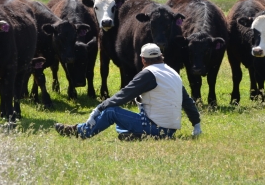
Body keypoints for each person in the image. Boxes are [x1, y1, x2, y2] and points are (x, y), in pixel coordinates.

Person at [55, 43, 202, 140]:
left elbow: (124, 95)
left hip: (157, 127)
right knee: (124, 124)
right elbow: (187, 101)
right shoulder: (173, 73)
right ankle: (139, 136)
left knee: (111, 112)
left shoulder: (149, 73)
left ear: (143, 60)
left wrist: (100, 107)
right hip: (170, 130)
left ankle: (80, 132)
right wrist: (196, 124)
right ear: (161, 57)